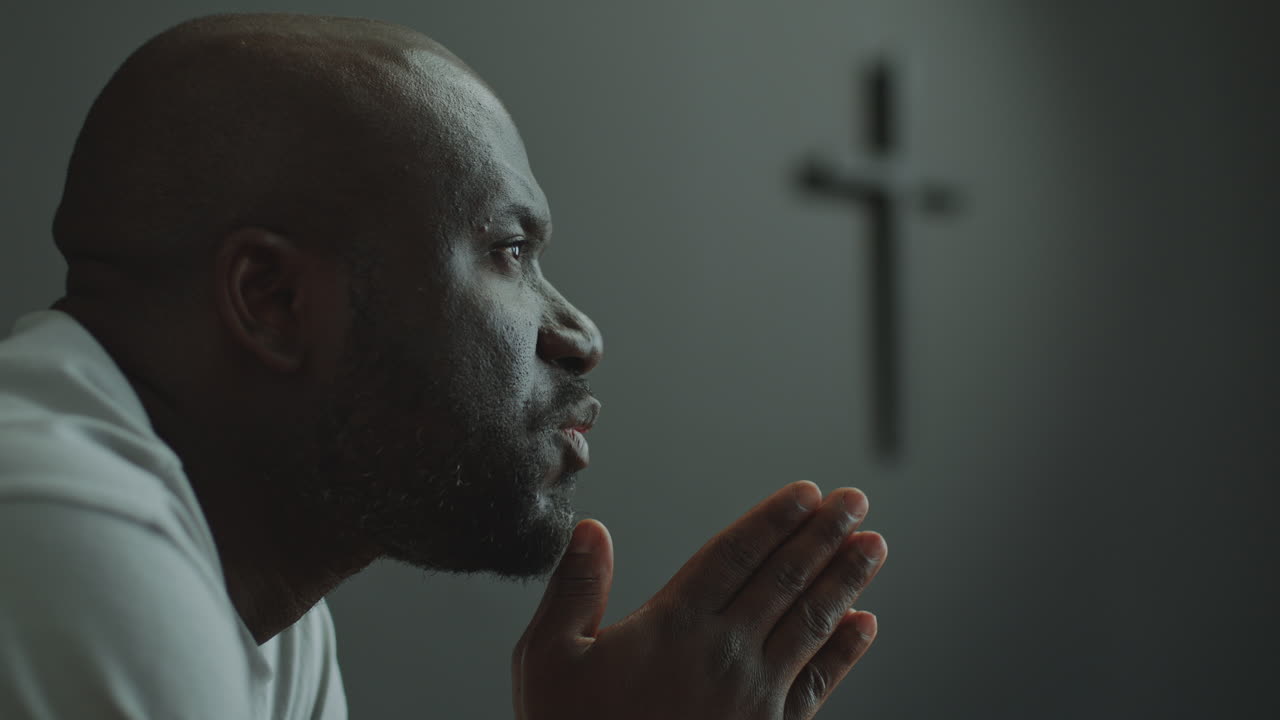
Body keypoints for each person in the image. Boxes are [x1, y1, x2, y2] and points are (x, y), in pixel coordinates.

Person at [0, 12, 888, 719]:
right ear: (271, 300)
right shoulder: (63, 535)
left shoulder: (269, 623)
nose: (579, 334)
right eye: (508, 249)